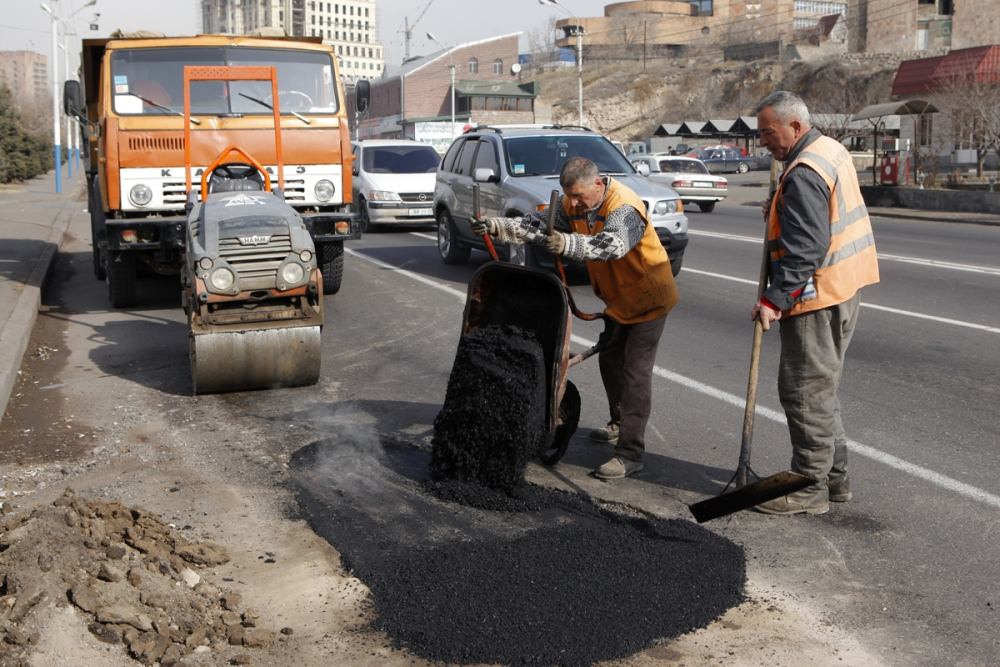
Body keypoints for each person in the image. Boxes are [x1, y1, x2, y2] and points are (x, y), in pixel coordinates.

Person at [472, 157, 678, 480]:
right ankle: (619, 422)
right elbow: (535, 224)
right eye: (568, 196)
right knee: (609, 362)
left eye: (579, 196)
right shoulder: (574, 205)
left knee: (636, 373)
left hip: (648, 299)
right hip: (618, 301)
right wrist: (497, 226)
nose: (572, 203)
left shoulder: (625, 206)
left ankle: (630, 453)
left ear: (598, 184)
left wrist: (567, 242)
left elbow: (610, 246)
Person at [751, 90, 880, 515]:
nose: (763, 142)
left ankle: (808, 487)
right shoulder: (830, 149)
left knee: (804, 392)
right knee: (822, 392)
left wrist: (774, 299)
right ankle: (836, 479)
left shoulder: (804, 170)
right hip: (845, 287)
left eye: (768, 133)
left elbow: (806, 247)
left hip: (817, 296)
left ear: (795, 125)